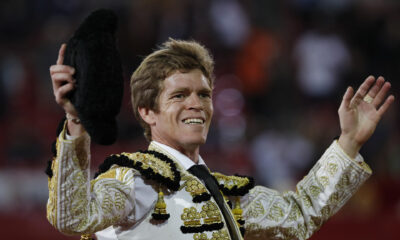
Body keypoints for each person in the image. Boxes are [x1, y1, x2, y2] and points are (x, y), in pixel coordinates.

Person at [47, 39, 394, 240]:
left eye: (204, 94)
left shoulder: (229, 195)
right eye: (179, 95)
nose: (196, 104)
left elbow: (300, 214)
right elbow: (72, 216)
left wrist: (348, 141)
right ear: (147, 112)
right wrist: (77, 120)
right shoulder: (133, 181)